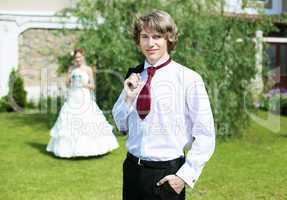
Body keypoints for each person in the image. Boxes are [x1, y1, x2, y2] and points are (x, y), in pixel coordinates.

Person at [112, 10, 215, 200]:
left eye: (157, 36)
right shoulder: (134, 76)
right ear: (138, 40)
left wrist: (184, 176)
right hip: (132, 171)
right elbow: (120, 124)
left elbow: (205, 133)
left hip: (167, 175)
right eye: (145, 36)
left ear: (169, 39)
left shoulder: (188, 79)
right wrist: (127, 98)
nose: (150, 43)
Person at [47, 48, 119, 158]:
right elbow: (67, 84)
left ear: (83, 57)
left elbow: (93, 86)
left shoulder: (88, 69)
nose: (78, 59)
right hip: (73, 97)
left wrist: (85, 84)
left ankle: (91, 149)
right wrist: (69, 76)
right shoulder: (71, 69)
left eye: (80, 57)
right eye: (76, 57)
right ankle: (68, 150)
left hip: (84, 97)